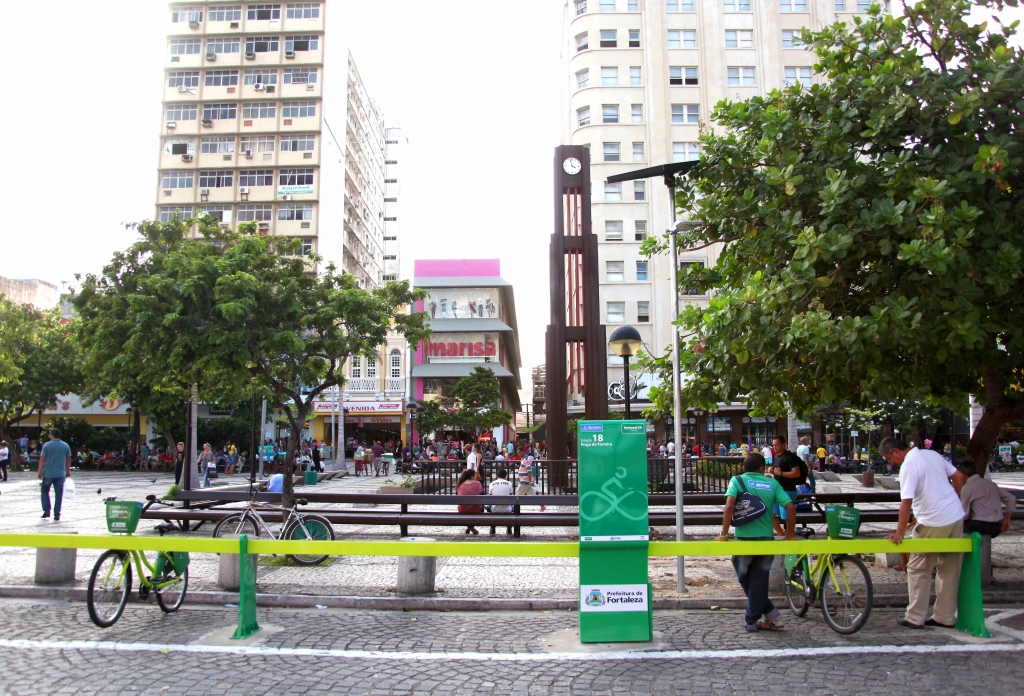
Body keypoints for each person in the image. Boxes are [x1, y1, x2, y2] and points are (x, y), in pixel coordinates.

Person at [882, 437, 965, 629]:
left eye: (889, 458)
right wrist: (952, 500)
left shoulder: (909, 466)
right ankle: (945, 616)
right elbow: (959, 477)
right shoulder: (931, 455)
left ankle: (915, 617)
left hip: (932, 520)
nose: (891, 463)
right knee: (949, 570)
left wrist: (899, 532)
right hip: (955, 516)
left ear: (896, 451)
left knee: (919, 568)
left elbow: (906, 502)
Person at [718, 453, 796, 632]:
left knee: (744, 576)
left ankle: (751, 620)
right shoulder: (772, 483)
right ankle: (770, 613)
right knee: (759, 581)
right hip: (766, 541)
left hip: (744, 541)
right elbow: (790, 507)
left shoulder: (737, 481)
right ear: (762, 468)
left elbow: (729, 506)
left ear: (744, 467)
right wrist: (789, 534)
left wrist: (724, 534)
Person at [958, 461, 1015, 538]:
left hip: (978, 526)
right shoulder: (991, 484)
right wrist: (1007, 519)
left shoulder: (968, 487)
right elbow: (1011, 498)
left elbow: (964, 514)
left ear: (963, 474)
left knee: (955, 526)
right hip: (996, 526)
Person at [768, 435, 806, 536]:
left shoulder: (790, 457)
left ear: (784, 445)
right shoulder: (776, 457)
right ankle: (781, 534)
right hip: (777, 490)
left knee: (786, 515)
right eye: (773, 445)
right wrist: (772, 470)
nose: (774, 447)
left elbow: (796, 473)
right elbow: (776, 469)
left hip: (788, 489)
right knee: (770, 512)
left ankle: (790, 535)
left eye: (777, 445)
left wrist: (781, 473)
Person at [38, 428, 72, 521]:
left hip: (48, 473)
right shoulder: (65, 445)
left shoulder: (47, 445)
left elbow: (42, 459)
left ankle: (46, 511)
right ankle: (57, 514)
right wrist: (68, 471)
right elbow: (68, 459)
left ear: (51, 435)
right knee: (59, 494)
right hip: (60, 474)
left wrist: (39, 471)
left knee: (44, 491)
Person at [456, 468, 484, 535]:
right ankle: (471, 527)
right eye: (475, 475)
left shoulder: (460, 484)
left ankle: (469, 527)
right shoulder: (477, 483)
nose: (476, 477)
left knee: (468, 507)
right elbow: (481, 494)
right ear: (472, 476)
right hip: (475, 509)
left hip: (462, 508)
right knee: (478, 507)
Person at [487, 467, 514, 535]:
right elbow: (511, 496)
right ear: (505, 476)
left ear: (496, 476)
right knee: (514, 507)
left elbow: (490, 497)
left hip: (494, 509)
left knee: (488, 507)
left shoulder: (492, 484)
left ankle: (493, 527)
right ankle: (509, 527)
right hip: (507, 509)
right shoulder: (509, 484)